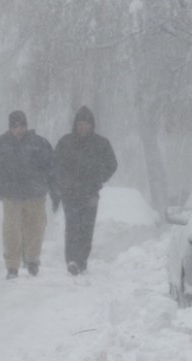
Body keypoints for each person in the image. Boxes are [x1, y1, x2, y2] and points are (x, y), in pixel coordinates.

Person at [0, 110, 59, 279]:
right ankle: (12, 266)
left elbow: (52, 169)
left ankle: (32, 260)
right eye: (16, 126)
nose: (19, 130)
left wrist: (55, 192)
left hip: (36, 194)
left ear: (27, 126)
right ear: (10, 127)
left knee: (36, 229)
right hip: (11, 195)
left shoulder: (39, 144)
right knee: (11, 232)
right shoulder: (0, 145)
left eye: (22, 126)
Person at [54, 105, 117, 275]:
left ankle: (82, 260)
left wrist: (99, 178)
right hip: (70, 194)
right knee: (73, 226)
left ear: (92, 125)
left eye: (87, 124)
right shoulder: (65, 142)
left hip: (90, 193)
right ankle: (72, 260)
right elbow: (56, 165)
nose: (83, 127)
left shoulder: (101, 143)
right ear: (75, 124)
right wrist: (64, 183)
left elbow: (112, 164)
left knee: (86, 229)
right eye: (80, 124)